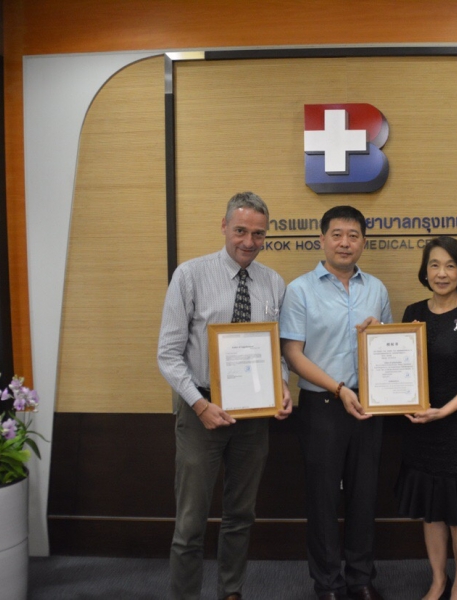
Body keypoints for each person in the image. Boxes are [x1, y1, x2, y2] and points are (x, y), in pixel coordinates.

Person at [158, 191, 293, 600]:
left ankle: (230, 591)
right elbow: (168, 354)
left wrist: (283, 385)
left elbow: (276, 350)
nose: (249, 241)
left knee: (241, 515)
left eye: (258, 234)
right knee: (190, 522)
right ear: (224, 226)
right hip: (201, 410)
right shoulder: (190, 275)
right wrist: (200, 405)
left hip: (254, 416)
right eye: (240, 231)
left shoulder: (274, 283)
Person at [280, 205, 392, 600]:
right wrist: (339, 388)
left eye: (353, 235)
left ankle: (360, 578)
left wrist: (381, 332)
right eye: (337, 234)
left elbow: (388, 348)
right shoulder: (299, 290)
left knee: (364, 495)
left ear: (364, 241)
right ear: (322, 239)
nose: (345, 243)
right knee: (323, 498)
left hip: (369, 405)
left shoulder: (376, 289)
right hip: (322, 407)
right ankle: (327, 581)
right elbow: (293, 354)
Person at [396, 236, 457, 600]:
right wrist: (374, 334)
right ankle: (438, 580)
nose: (441, 273)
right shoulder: (413, 313)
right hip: (421, 428)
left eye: (450, 266)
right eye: (434, 265)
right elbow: (399, 364)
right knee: (431, 509)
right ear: (425, 271)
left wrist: (444, 411)